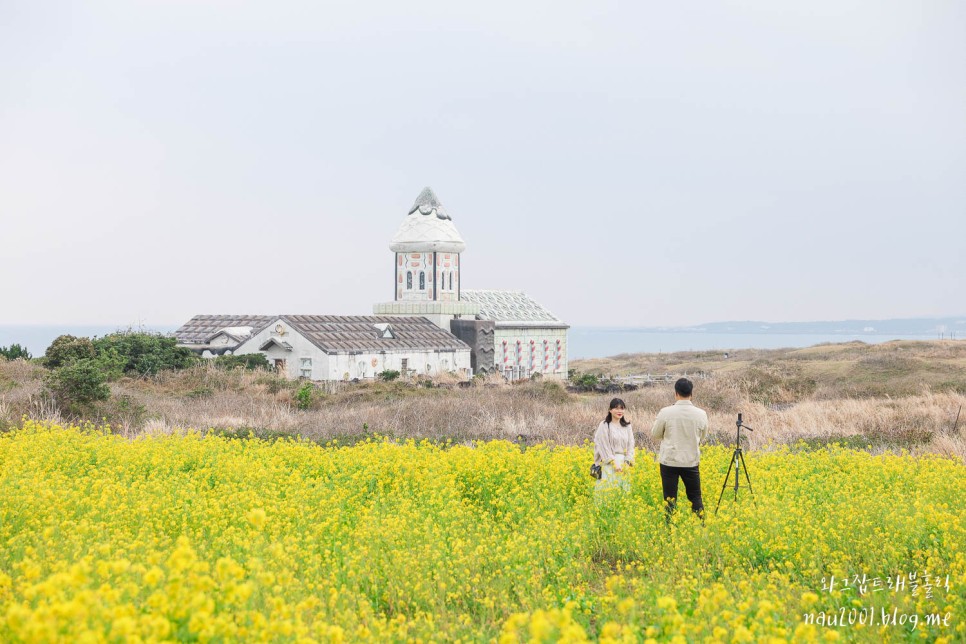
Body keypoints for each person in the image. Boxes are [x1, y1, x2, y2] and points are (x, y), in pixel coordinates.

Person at [651, 378, 709, 522]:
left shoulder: (665, 412)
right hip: (690, 461)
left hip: (669, 462)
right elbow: (703, 436)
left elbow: (656, 434)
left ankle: (669, 528)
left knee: (669, 497)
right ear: (691, 393)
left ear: (676, 393)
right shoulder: (701, 414)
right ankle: (700, 526)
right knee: (695, 496)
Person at [593, 398, 635, 494]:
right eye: (616, 408)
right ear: (610, 410)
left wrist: (627, 461)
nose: (619, 411)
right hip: (609, 463)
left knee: (623, 493)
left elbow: (631, 444)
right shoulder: (604, 425)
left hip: (623, 463)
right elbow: (603, 445)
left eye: (622, 408)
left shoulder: (627, 426)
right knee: (607, 492)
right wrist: (614, 463)